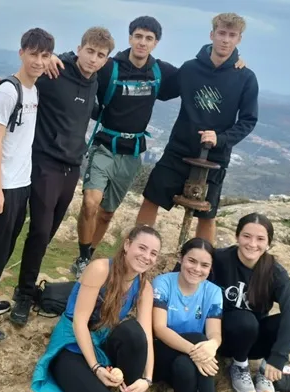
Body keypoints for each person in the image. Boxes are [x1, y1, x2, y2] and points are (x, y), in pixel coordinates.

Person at [44, 16, 245, 278]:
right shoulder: (110, 67)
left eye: (149, 38)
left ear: (156, 43)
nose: (142, 42)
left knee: (106, 213)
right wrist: (55, 57)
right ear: (130, 38)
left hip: (132, 151)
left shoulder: (161, 72)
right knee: (91, 203)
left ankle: (89, 253)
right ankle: (83, 257)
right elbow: (84, 63)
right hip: (105, 144)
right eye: (138, 36)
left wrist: (234, 63)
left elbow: (202, 76)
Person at [0, 27, 117, 327]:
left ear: (106, 60)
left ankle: (23, 287)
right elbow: (17, 82)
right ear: (79, 49)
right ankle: (24, 294)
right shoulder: (55, 72)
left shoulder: (94, 81)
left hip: (72, 168)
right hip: (44, 163)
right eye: (89, 51)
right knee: (40, 231)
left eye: (100, 55)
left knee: (48, 233)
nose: (93, 59)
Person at [0, 27, 54, 345]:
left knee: (4, 248)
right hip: (3, 186)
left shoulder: (34, 90)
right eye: (33, 54)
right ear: (21, 53)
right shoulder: (8, 91)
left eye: (44, 55)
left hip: (21, 183)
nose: (38, 61)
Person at [136, 12, 259, 245]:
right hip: (178, 151)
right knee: (151, 199)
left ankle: (204, 261)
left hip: (215, 158)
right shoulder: (190, 69)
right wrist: (137, 63)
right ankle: (136, 248)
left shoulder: (245, 77)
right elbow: (163, 90)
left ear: (239, 39)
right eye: (221, 33)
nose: (225, 40)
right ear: (212, 35)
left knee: (207, 215)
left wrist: (221, 138)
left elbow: (248, 120)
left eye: (232, 35)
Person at [177, 212, 290, 392]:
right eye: (246, 236)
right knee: (244, 320)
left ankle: (265, 370)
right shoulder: (220, 259)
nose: (252, 244)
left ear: (268, 243)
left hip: (254, 341)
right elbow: (185, 274)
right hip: (221, 336)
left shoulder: (274, 272)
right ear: (237, 236)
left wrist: (278, 356)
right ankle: (239, 366)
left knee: (287, 322)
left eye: (260, 239)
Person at [31, 225, 160, 392]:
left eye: (153, 253)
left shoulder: (145, 288)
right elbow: (79, 322)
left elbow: (146, 336)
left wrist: (147, 379)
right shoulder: (100, 269)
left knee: (134, 333)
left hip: (102, 343)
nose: (147, 256)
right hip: (72, 344)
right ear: (127, 245)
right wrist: (96, 367)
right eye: (142, 248)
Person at [150, 237, 222, 392]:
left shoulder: (214, 292)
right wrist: (195, 351)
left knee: (185, 365)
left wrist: (213, 344)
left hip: (185, 362)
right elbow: (159, 328)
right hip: (159, 354)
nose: (197, 269)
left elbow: (214, 332)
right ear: (181, 258)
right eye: (192, 261)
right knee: (199, 338)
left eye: (204, 265)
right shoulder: (162, 283)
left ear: (210, 268)